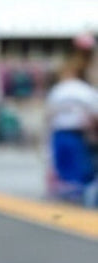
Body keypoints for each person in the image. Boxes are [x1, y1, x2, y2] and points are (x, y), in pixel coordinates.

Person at [46, 47, 98, 205]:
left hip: (60, 132)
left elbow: (49, 115)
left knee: (63, 170)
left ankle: (65, 201)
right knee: (80, 171)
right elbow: (94, 115)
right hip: (78, 133)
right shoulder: (86, 91)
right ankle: (79, 201)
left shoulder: (58, 90)